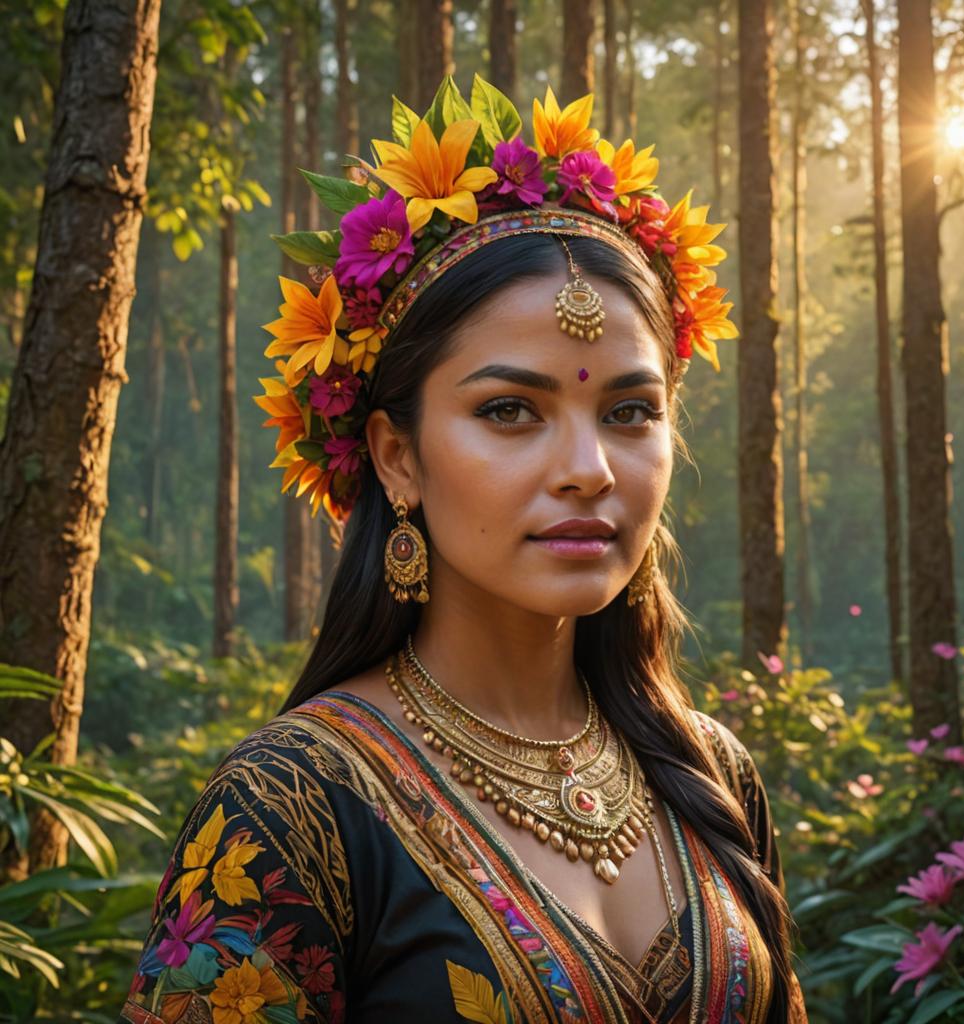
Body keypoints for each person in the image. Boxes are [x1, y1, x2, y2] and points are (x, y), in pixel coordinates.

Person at [119, 75, 807, 1024]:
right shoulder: (291, 806)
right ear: (397, 457)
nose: (588, 468)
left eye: (630, 412)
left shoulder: (709, 776)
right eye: (509, 411)